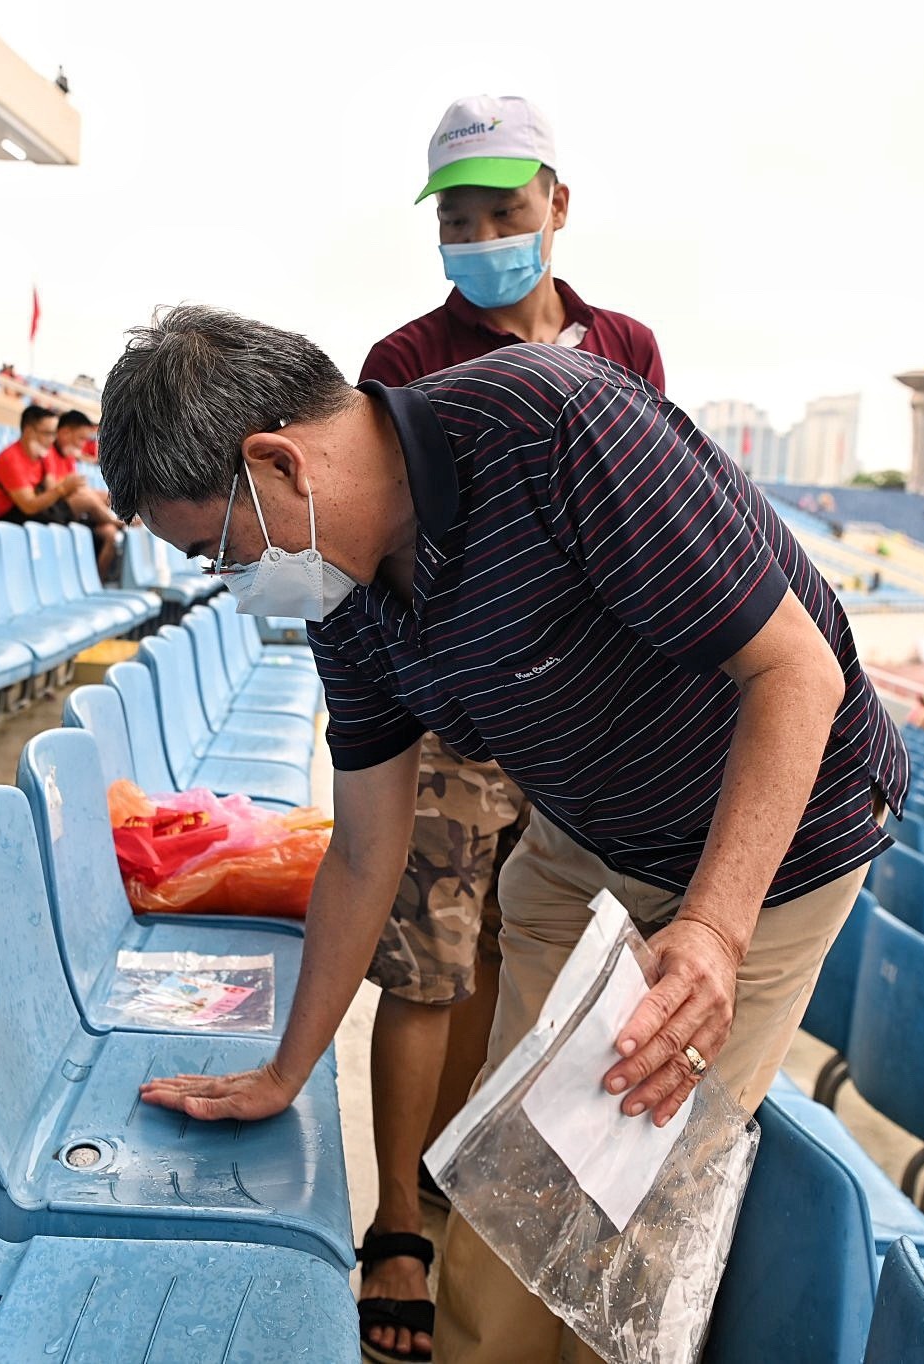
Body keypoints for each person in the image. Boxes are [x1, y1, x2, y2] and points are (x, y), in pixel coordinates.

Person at [100, 305, 908, 1364]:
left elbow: (796, 671)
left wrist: (711, 927)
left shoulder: (553, 431)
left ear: (274, 461)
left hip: (766, 838)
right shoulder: (343, 595)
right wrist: (284, 1070)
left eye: (216, 544)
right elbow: (362, 850)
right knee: (516, 1172)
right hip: (584, 837)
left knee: (626, 1204)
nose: (228, 575)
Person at [349, 93, 667, 1363]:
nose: (482, 235)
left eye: (503, 209)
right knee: (427, 957)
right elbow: (411, 543)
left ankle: (485, 1193)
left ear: (555, 203)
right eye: (459, 218)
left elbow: (649, 506)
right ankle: (397, 1224)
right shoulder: (406, 359)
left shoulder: (627, 342)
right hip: (462, 710)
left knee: (530, 964)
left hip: (587, 717)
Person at [51, 408, 124, 575]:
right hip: (60, 512)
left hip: (78, 512)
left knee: (110, 534)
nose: (83, 444)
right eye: (81, 438)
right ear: (65, 433)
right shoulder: (50, 454)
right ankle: (116, 521)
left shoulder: (68, 456)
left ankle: (96, 582)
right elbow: (58, 491)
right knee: (88, 498)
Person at [0, 405, 87, 524]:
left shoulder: (40, 457)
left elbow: (49, 490)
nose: (52, 439)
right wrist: (63, 489)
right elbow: (28, 506)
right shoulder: (11, 459)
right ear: (29, 431)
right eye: (47, 433)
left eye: (54, 434)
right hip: (11, 518)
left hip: (37, 513)